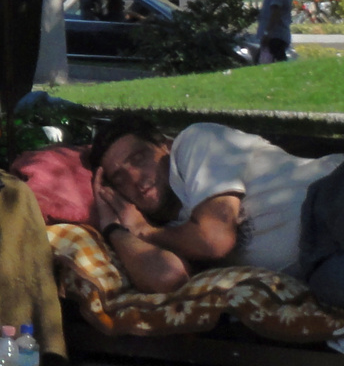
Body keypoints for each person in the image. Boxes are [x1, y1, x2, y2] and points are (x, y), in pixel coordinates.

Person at [88, 113, 344, 306]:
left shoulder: (195, 143)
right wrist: (115, 230)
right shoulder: (165, 232)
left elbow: (214, 239)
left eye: (139, 158)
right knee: (331, 287)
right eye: (119, 178)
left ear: (164, 145)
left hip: (328, 196)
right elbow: (166, 279)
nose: (135, 178)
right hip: (319, 264)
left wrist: (144, 231)